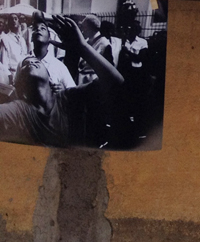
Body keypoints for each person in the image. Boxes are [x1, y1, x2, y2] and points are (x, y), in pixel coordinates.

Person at [0, 14, 124, 148]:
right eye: (25, 64)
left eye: (36, 61)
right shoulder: (20, 111)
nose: (30, 62)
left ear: (49, 76)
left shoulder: (68, 99)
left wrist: (82, 47)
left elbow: (116, 82)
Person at [29, 16, 76, 92]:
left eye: (43, 28)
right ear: (31, 38)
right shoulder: (23, 62)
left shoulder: (59, 66)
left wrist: (63, 90)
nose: (38, 29)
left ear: (49, 38)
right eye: (35, 28)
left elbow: (73, 92)